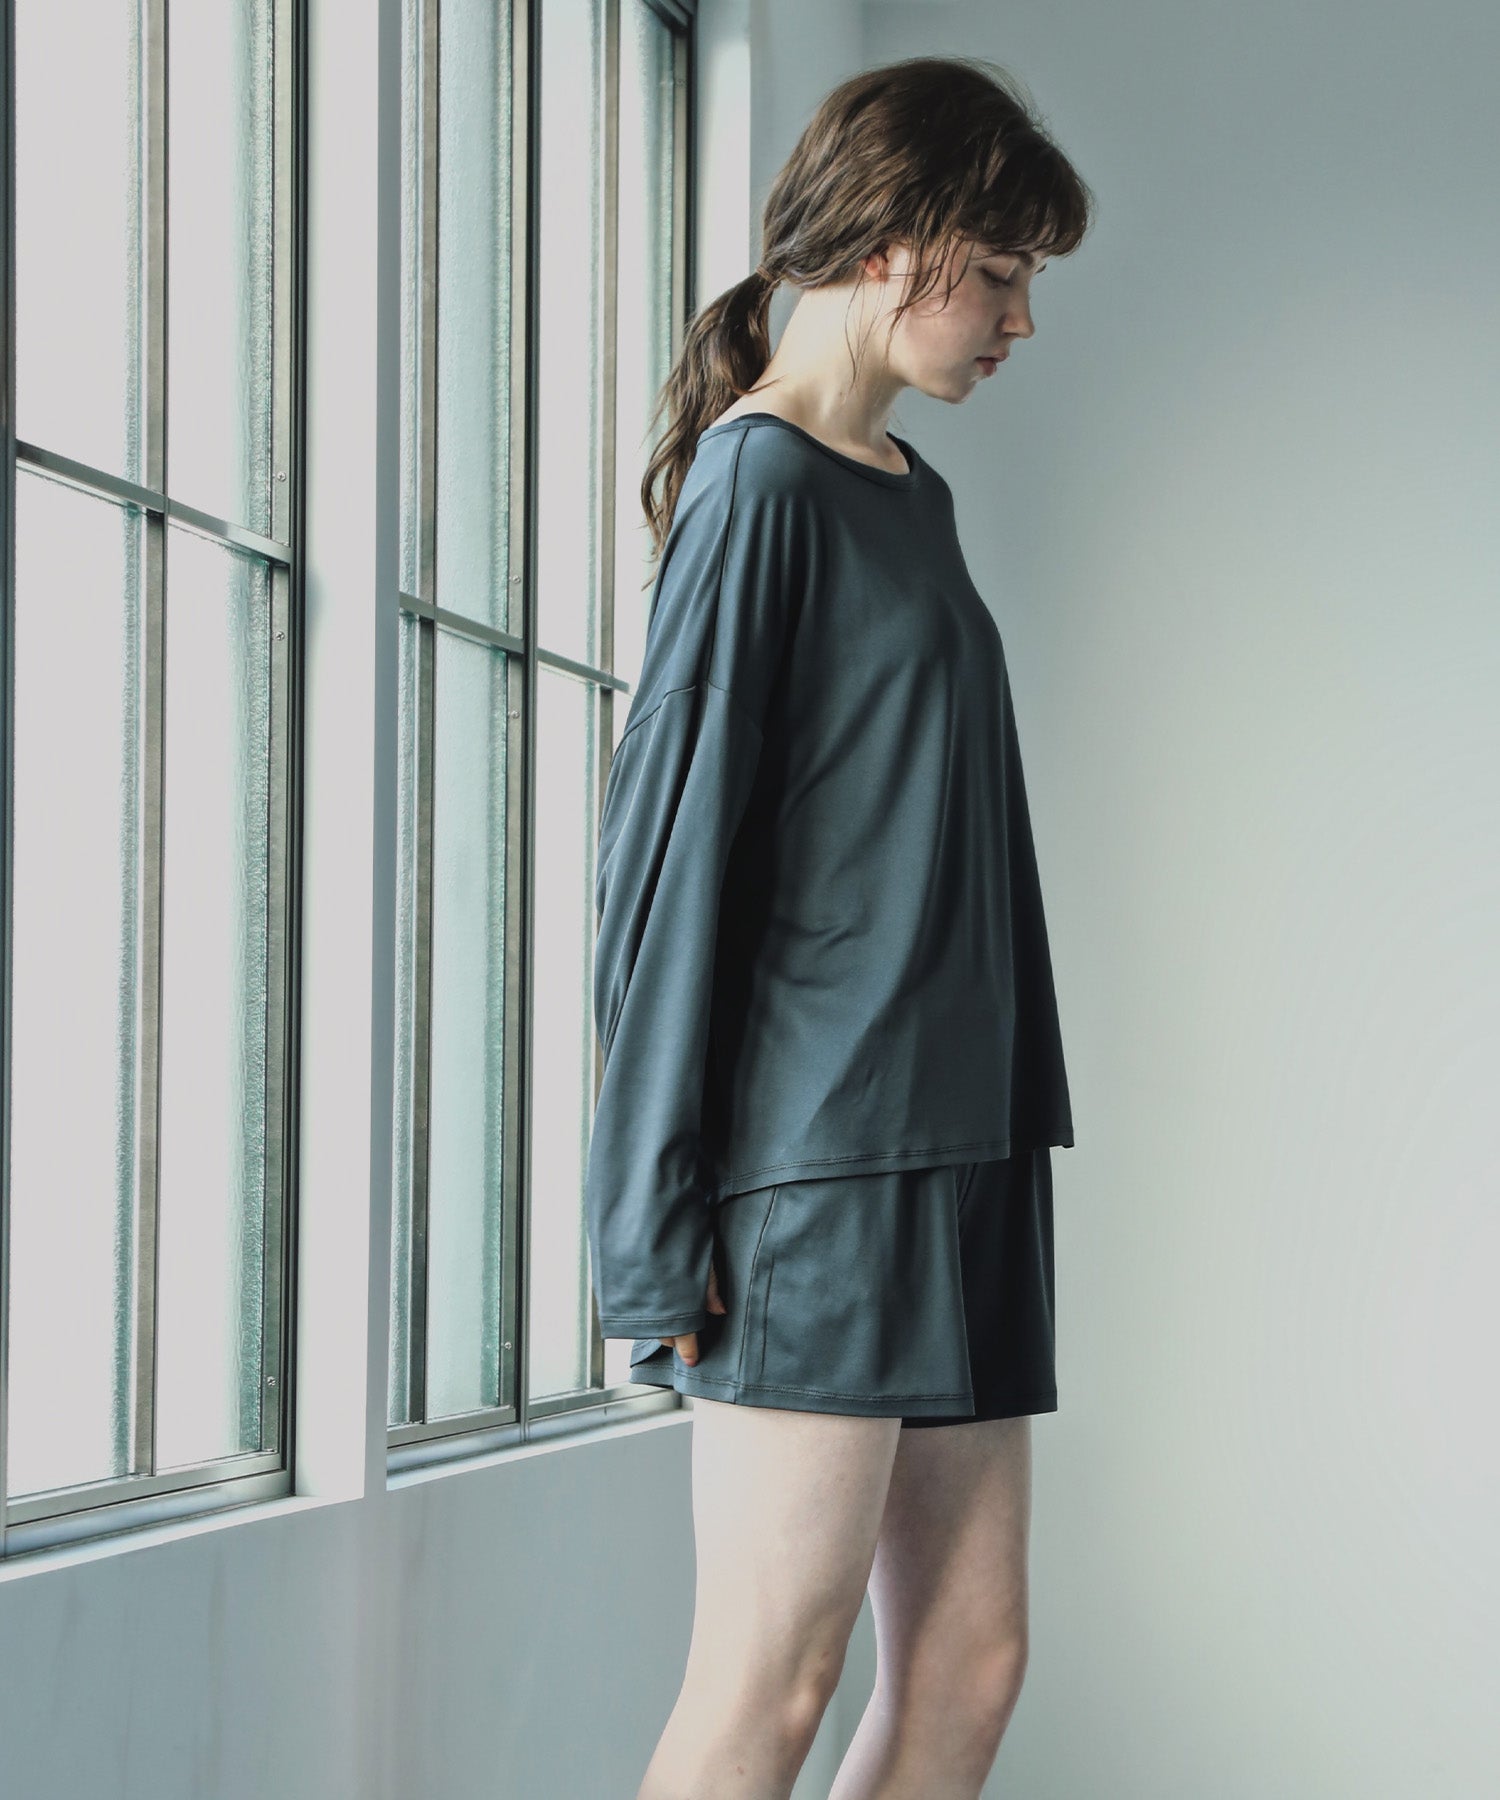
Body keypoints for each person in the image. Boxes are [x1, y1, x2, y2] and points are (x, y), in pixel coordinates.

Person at [584, 53, 1094, 1800]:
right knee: (772, 1681)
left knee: (968, 1664)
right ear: (895, 242)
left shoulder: (905, 490)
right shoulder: (760, 488)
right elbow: (664, 873)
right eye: (1002, 272)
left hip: (964, 1144)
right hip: (820, 1171)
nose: (1021, 321)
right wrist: (652, 1227)